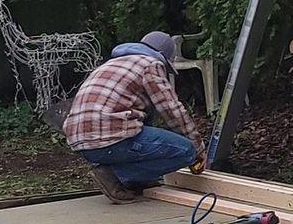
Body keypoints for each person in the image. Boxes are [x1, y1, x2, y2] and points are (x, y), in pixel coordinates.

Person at [62, 31, 206, 202]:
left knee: (147, 109)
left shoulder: (112, 63)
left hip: (80, 141)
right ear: (162, 57)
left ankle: (128, 178)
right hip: (111, 137)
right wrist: (198, 147)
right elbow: (172, 110)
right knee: (185, 151)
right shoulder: (150, 64)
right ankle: (118, 176)